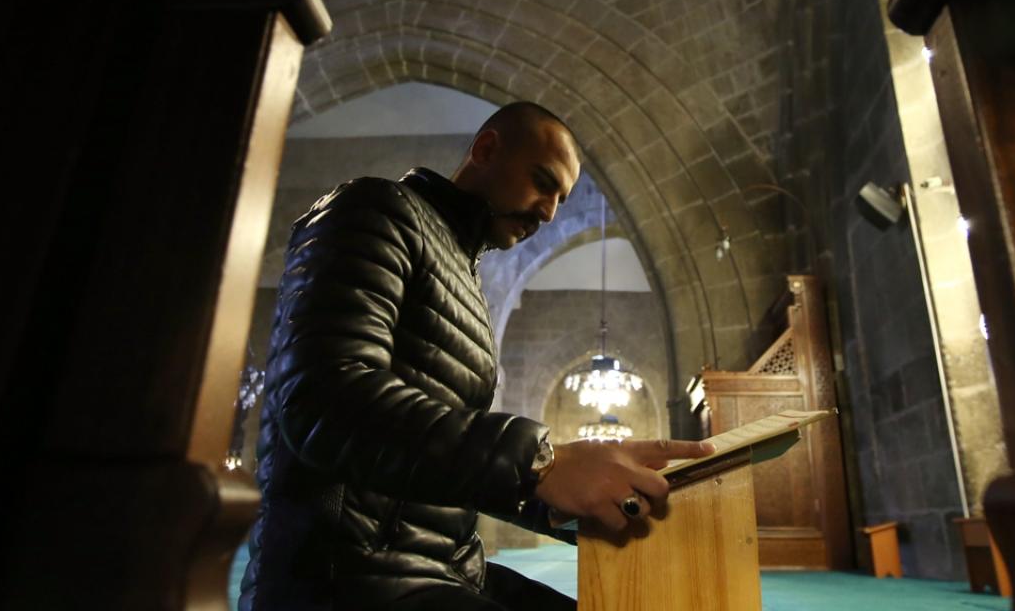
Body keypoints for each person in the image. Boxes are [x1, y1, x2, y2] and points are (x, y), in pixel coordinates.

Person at [239, 101, 714, 611]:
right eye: (542, 182)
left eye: (560, 199)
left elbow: (449, 463)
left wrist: (586, 495)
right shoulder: (373, 210)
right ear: (486, 150)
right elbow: (324, 400)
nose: (549, 213)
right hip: (340, 576)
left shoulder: (467, 283)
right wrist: (542, 463)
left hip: (446, 568)